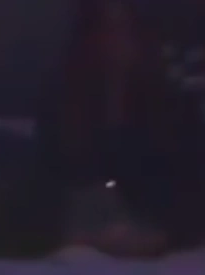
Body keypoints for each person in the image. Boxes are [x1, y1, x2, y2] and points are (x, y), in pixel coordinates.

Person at [35, 0, 205, 259]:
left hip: (159, 253)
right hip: (81, 252)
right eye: (105, 31)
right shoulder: (61, 105)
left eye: (123, 31)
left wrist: (160, 237)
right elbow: (46, 192)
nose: (115, 43)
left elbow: (190, 199)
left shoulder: (173, 108)